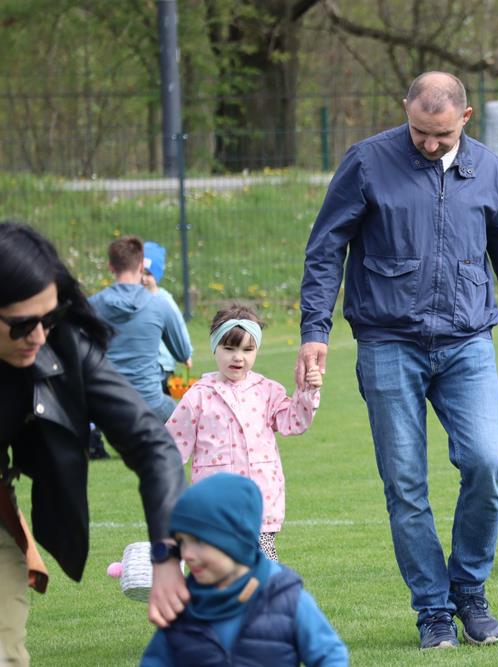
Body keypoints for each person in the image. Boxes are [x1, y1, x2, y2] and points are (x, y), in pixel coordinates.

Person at [296, 70, 498, 649]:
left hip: (466, 342)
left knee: (486, 462)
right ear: (405, 109)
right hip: (386, 342)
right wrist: (314, 329)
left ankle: (469, 592)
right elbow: (326, 248)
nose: (428, 144)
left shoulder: (491, 173)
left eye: (441, 135)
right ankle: (432, 609)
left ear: (466, 119)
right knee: (405, 485)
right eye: (420, 131)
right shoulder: (367, 162)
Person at [0, 222, 188, 666]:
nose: (39, 336)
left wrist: (166, 555)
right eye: (23, 324)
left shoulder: (64, 346)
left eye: (47, 319)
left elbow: (152, 444)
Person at [140, 473, 348, 666]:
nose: (187, 554)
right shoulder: (182, 606)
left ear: (236, 541)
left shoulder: (286, 599)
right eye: (182, 542)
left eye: (199, 541)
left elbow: (329, 655)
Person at [168, 303, 322, 561]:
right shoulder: (198, 395)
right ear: (215, 347)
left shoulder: (267, 390)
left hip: (260, 505)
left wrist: (307, 391)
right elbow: (172, 445)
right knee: (217, 573)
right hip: (214, 508)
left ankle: (264, 602)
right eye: (229, 348)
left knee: (263, 573)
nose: (238, 357)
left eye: (247, 350)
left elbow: (294, 422)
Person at [89, 236, 192, 422]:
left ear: (111, 267)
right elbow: (183, 353)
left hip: (107, 402)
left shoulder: (91, 306)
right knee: (183, 419)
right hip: (150, 402)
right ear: (141, 267)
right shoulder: (159, 305)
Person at [141, 241, 194, 394]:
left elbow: (179, 327)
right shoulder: (134, 299)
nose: (144, 278)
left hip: (164, 365)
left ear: (157, 275)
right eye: (141, 273)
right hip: (145, 365)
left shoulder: (165, 300)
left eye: (149, 274)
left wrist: (186, 352)